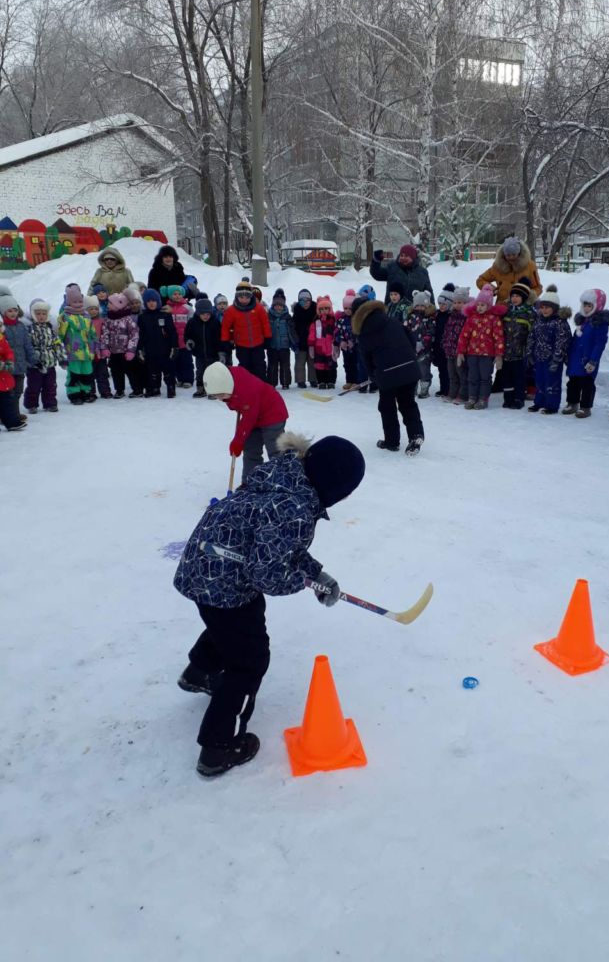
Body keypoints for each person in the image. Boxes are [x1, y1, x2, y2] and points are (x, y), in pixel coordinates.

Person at [173, 429, 365, 778]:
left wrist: (316, 573)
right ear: (335, 485)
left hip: (203, 567)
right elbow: (267, 574)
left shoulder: (284, 480)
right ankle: (218, 747)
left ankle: (199, 672)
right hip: (225, 580)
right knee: (250, 660)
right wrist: (306, 584)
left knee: (233, 627)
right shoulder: (294, 509)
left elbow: (274, 545)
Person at [351, 294, 425, 455]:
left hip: (387, 374)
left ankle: (392, 441)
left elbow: (367, 360)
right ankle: (416, 435)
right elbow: (410, 339)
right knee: (408, 404)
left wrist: (373, 376)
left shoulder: (363, 333)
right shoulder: (391, 319)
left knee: (387, 406)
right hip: (409, 368)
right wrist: (409, 357)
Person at [202, 361, 289, 482]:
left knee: (275, 450)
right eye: (216, 396)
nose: (220, 399)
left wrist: (238, 441)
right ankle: (250, 481)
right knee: (251, 449)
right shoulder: (226, 377)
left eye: (221, 395)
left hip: (272, 412)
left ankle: (282, 482)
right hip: (254, 413)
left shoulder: (246, 389)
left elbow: (249, 419)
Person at [564, 288, 609, 418]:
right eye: (584, 305)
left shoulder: (600, 323)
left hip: (588, 360)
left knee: (586, 384)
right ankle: (572, 402)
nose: (586, 308)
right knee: (573, 382)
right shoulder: (582, 321)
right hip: (576, 359)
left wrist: (593, 361)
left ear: (597, 306)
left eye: (589, 306)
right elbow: (575, 340)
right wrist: (568, 355)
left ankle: (585, 406)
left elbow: (599, 343)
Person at [456, 283, 505, 410]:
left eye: (482, 305)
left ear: (489, 305)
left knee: (485, 377)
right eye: (478, 304)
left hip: (487, 355)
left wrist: (499, 355)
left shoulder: (494, 319)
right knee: (472, 376)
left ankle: (483, 398)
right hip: (472, 353)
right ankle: (473, 397)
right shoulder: (471, 318)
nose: (479, 307)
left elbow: (499, 337)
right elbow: (464, 335)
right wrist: (460, 352)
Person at [527, 285, 572, 414]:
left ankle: (552, 405)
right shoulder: (539, 321)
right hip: (539, 357)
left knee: (552, 382)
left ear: (554, 308)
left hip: (552, 359)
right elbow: (532, 337)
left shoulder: (559, 322)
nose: (544, 310)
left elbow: (562, 342)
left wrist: (557, 358)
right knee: (539, 381)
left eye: (547, 308)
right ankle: (539, 402)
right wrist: (530, 353)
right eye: (542, 307)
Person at [221, 280, 271, 380]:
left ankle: (262, 386)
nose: (244, 300)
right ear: (236, 297)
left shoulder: (258, 308)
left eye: (247, 297)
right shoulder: (231, 310)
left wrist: (267, 337)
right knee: (245, 367)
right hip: (241, 345)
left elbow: (265, 324)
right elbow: (225, 327)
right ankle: (247, 386)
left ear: (251, 296)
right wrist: (225, 341)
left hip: (258, 344)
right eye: (241, 297)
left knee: (260, 366)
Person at [24, 300, 66, 414]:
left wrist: (62, 359)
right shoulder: (29, 329)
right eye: (38, 313)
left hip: (50, 363)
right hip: (35, 365)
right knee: (34, 386)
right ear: (33, 314)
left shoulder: (51, 329)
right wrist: (31, 359)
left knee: (50, 385)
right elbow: (27, 346)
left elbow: (57, 344)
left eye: (43, 313)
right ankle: (31, 405)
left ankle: (50, 404)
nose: (41, 316)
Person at [58, 284, 97, 405]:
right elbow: (60, 335)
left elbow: (92, 333)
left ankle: (85, 392)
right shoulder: (65, 316)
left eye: (80, 301)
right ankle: (74, 393)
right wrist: (61, 352)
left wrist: (96, 347)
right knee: (74, 374)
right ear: (69, 302)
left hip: (86, 351)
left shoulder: (86, 315)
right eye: (74, 302)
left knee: (87, 373)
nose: (78, 304)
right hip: (73, 352)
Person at [0, 290, 36, 421]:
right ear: (3, 312)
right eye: (9, 310)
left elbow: (27, 344)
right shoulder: (2, 329)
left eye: (15, 310)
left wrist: (33, 359)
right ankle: (6, 416)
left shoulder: (21, 326)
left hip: (20, 365)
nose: (13, 313)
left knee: (18, 391)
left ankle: (15, 412)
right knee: (7, 392)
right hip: (7, 366)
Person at [475, 237, 541, 305]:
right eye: (508, 255)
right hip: (502, 308)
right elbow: (481, 280)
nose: (511, 257)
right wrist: (493, 289)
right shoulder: (497, 266)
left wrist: (527, 297)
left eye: (514, 254)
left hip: (522, 309)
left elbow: (537, 287)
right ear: (503, 254)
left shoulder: (530, 266)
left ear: (519, 253)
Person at [137, 288, 178, 398]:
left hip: (165, 348)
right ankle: (155, 388)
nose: (151, 303)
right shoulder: (143, 317)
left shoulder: (165, 314)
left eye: (153, 301)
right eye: (148, 301)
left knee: (168, 370)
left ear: (158, 301)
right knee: (153, 370)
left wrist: (175, 347)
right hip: (150, 349)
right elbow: (140, 334)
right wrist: (139, 349)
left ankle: (171, 388)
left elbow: (173, 332)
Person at [500, 281, 535, 409]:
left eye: (518, 296)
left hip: (520, 354)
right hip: (506, 352)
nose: (514, 299)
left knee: (519, 378)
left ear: (524, 298)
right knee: (506, 378)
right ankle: (508, 398)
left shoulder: (530, 314)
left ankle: (518, 399)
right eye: (512, 296)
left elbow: (532, 335)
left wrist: (528, 351)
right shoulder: (507, 312)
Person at [100, 292, 139, 400]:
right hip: (114, 352)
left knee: (131, 371)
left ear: (118, 304)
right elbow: (105, 334)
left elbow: (134, 335)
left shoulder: (128, 319)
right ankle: (119, 390)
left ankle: (137, 389)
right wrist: (104, 347)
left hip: (126, 352)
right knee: (116, 372)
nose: (108, 305)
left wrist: (131, 349)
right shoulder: (108, 319)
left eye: (111, 303)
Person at [184, 297, 222, 398]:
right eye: (203, 314)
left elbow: (219, 338)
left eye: (208, 314)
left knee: (213, 372)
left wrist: (221, 351)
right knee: (200, 371)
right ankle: (200, 388)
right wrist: (189, 341)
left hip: (213, 353)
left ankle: (214, 390)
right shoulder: (192, 322)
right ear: (198, 313)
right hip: (199, 353)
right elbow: (187, 335)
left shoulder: (215, 322)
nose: (206, 316)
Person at [442, 286, 471, 404]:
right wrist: (444, 342)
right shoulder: (451, 315)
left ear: (466, 303)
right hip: (450, 349)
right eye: (455, 302)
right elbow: (447, 330)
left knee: (462, 374)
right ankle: (452, 393)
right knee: (452, 374)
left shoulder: (467, 317)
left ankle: (463, 395)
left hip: (460, 351)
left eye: (460, 302)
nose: (457, 305)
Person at [405, 290, 436, 398]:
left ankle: (424, 387)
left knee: (423, 369)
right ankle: (413, 387)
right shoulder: (410, 316)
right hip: (411, 348)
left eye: (422, 305)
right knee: (412, 369)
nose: (419, 308)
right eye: (417, 305)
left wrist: (423, 343)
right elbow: (406, 329)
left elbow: (431, 331)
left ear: (427, 305)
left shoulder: (430, 317)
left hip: (425, 349)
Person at [266, 288, 298, 389]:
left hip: (284, 346)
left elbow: (291, 331)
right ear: (273, 305)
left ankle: (285, 382)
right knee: (272, 366)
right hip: (272, 346)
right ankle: (272, 382)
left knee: (285, 366)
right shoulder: (269, 316)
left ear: (284, 306)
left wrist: (295, 342)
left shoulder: (287, 317)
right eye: (276, 305)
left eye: (281, 306)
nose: (278, 308)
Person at [83, 295, 112, 399]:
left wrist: (105, 348)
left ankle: (105, 391)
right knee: (90, 372)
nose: (93, 311)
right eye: (90, 309)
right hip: (88, 351)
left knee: (102, 372)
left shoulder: (102, 320)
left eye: (95, 309)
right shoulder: (84, 321)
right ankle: (91, 392)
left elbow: (105, 334)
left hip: (100, 351)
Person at [308, 294, 337, 389]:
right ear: (318, 310)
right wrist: (311, 346)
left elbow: (336, 333)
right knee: (320, 366)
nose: (324, 311)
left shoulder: (333, 321)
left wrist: (337, 345)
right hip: (319, 348)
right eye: (322, 309)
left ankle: (331, 381)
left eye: (326, 308)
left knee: (331, 365)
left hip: (330, 348)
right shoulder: (316, 322)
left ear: (330, 309)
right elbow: (312, 335)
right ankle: (321, 381)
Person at [0, 325, 25, 430]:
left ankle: (12, 422)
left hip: (3, 376)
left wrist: (9, 360)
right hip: (2, 370)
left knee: (6, 401)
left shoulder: (1, 338)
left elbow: (8, 351)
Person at [432, 283, 455, 397]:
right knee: (441, 369)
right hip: (439, 346)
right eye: (439, 303)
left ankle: (450, 389)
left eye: (443, 304)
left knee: (449, 369)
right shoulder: (438, 315)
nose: (441, 306)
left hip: (448, 347)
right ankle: (443, 388)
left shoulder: (451, 316)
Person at [291, 289, 317, 389]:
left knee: (312, 362)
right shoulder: (297, 313)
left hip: (312, 343)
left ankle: (313, 379)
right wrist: (295, 340)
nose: (305, 303)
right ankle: (300, 380)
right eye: (302, 301)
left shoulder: (315, 312)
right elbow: (293, 328)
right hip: (300, 342)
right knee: (300, 363)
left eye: (308, 301)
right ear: (299, 302)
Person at [334, 289, 359, 389]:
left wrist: (353, 341)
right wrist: (341, 341)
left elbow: (358, 332)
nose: (348, 310)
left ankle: (356, 381)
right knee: (347, 364)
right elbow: (337, 331)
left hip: (355, 347)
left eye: (350, 308)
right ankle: (349, 380)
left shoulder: (356, 318)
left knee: (355, 364)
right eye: (346, 308)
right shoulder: (341, 319)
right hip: (345, 348)